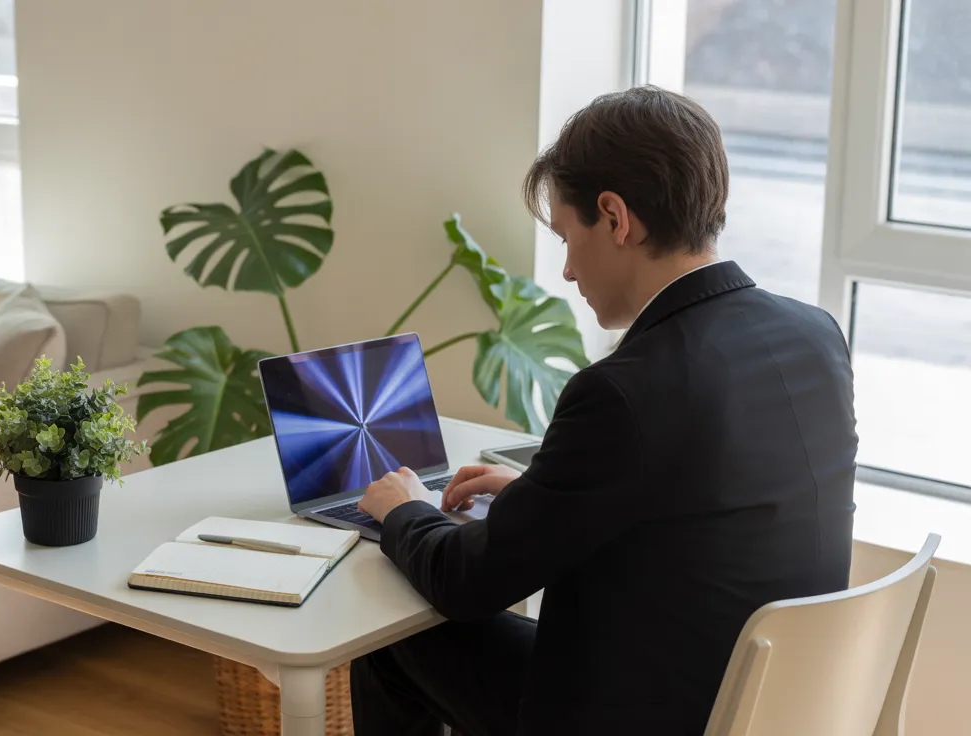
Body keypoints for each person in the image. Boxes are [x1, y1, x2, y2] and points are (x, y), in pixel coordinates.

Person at [352, 85, 858, 735]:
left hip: (637, 717)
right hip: (774, 706)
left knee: (394, 640)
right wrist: (542, 495)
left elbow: (466, 584)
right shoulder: (815, 336)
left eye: (568, 237)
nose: (567, 271)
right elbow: (705, 500)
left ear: (616, 218)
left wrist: (405, 509)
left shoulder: (623, 391)